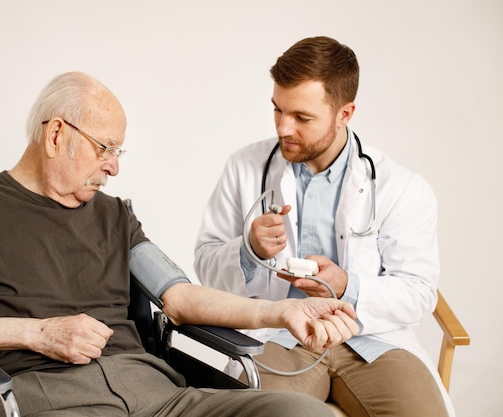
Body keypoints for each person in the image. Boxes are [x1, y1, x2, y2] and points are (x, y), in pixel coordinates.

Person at [0, 71, 360, 417]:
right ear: (57, 134)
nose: (114, 168)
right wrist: (39, 333)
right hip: (45, 399)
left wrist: (281, 313)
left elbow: (180, 297)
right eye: (105, 149)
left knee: (306, 414)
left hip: (158, 395)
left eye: (118, 152)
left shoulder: (115, 216)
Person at [194, 36, 454, 417]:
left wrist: (347, 285)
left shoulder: (401, 188)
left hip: (370, 340)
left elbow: (418, 292)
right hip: (281, 336)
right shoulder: (244, 167)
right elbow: (205, 267)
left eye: (302, 117)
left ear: (345, 113)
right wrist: (248, 250)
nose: (284, 127)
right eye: (277, 110)